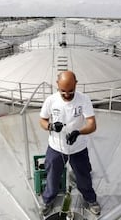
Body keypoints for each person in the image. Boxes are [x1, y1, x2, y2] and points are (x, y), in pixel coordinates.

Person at [39, 71, 101, 216]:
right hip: (56, 147)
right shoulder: (51, 100)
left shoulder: (83, 100)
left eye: (71, 91)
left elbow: (92, 124)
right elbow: (42, 120)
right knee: (52, 176)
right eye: (63, 91)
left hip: (78, 147)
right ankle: (48, 200)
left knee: (83, 175)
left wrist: (78, 132)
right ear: (57, 85)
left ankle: (90, 200)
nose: (67, 94)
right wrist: (51, 126)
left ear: (76, 84)